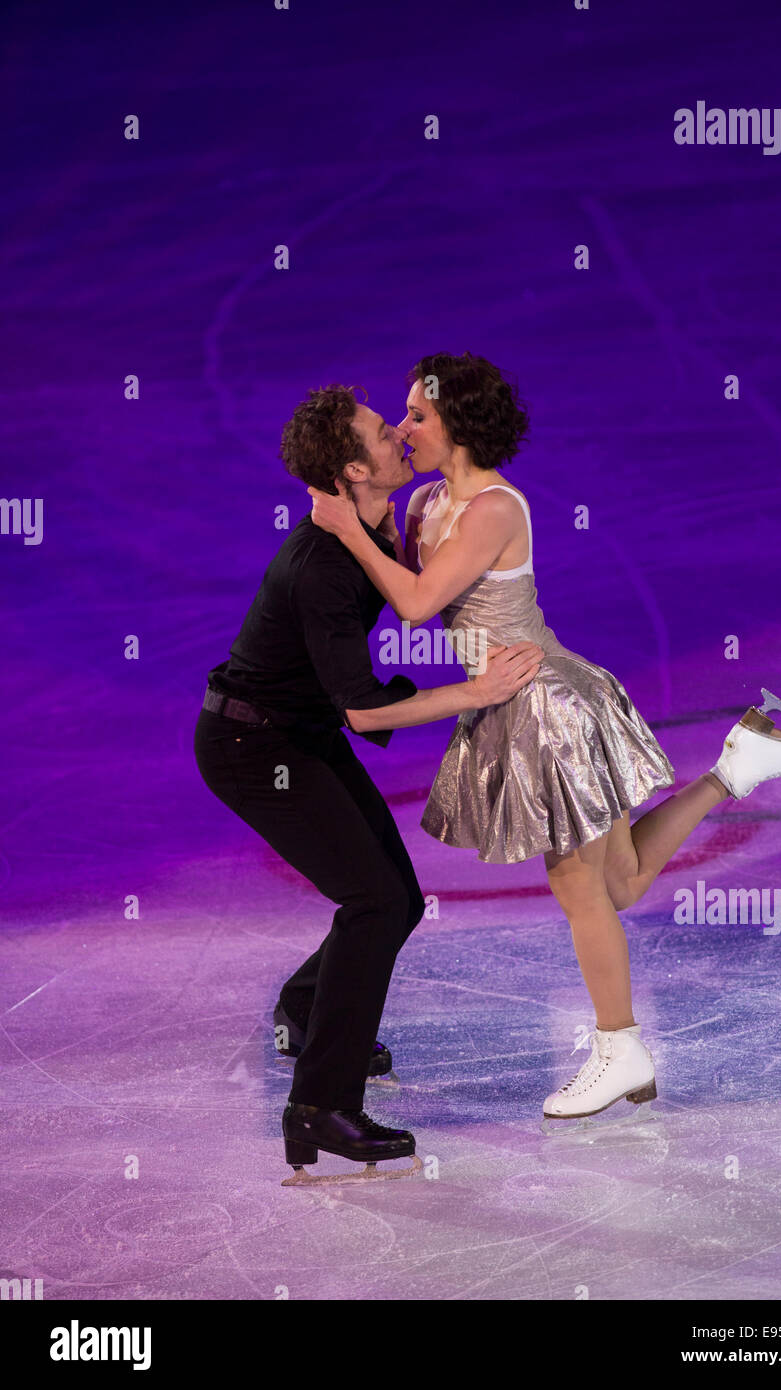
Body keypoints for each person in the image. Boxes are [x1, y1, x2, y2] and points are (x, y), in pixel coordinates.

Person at [307, 352, 781, 1123]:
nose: (406, 428)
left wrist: (348, 531)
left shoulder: (495, 509)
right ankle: (735, 766)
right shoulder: (426, 504)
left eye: (418, 415)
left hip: (547, 707)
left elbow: (417, 602)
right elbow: (397, 567)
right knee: (615, 882)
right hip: (511, 703)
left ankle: (620, 1048)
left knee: (578, 884)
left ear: (456, 423)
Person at [193, 383, 543, 1182]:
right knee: (377, 903)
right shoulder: (322, 563)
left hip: (299, 730)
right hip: (253, 745)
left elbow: (416, 597)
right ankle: (320, 1105)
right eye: (388, 431)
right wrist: (477, 695)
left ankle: (307, 1008)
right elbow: (360, 709)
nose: (401, 434)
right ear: (355, 469)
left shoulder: (380, 519)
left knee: (396, 900)